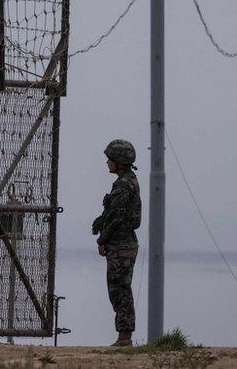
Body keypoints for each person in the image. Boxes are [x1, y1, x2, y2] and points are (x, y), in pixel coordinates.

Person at [92, 139, 142, 347]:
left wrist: (103, 239)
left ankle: (124, 336)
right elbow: (113, 213)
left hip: (120, 245)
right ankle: (124, 335)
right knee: (120, 289)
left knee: (119, 290)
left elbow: (117, 216)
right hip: (123, 243)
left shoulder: (123, 184)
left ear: (119, 161)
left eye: (110, 159)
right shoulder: (127, 181)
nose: (107, 163)